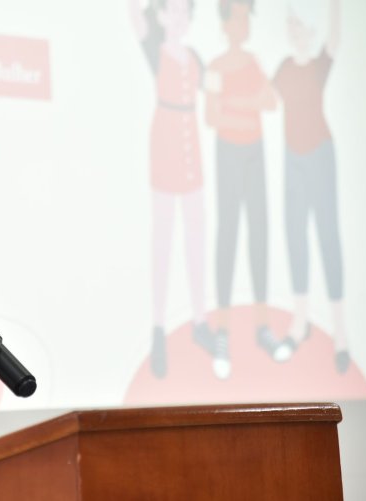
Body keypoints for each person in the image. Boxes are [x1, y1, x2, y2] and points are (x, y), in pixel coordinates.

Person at [129, 0, 213, 378]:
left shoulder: (196, 55)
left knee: (197, 234)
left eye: (184, 11)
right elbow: (133, 14)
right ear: (160, 15)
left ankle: (200, 321)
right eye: (172, 10)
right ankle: (159, 329)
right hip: (164, 138)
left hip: (190, 139)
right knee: (163, 237)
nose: (178, 17)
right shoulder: (155, 48)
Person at [204, 0, 283, 379]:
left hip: (255, 151)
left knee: (260, 233)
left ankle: (262, 327)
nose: (245, 24)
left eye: (246, 18)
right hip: (228, 152)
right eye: (238, 17)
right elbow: (211, 115)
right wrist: (244, 103)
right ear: (226, 24)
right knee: (229, 235)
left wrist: (238, 103)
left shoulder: (254, 61)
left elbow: (270, 101)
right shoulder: (216, 66)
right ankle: (221, 332)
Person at [273, 0, 349, 372]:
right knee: (295, 235)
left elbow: (335, 36)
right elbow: (266, 99)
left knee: (327, 234)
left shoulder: (318, 65)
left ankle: (341, 332)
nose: (293, 31)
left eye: (297, 24)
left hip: (320, 154)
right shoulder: (283, 69)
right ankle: (299, 321)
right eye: (289, 24)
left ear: (308, 28)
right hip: (292, 159)